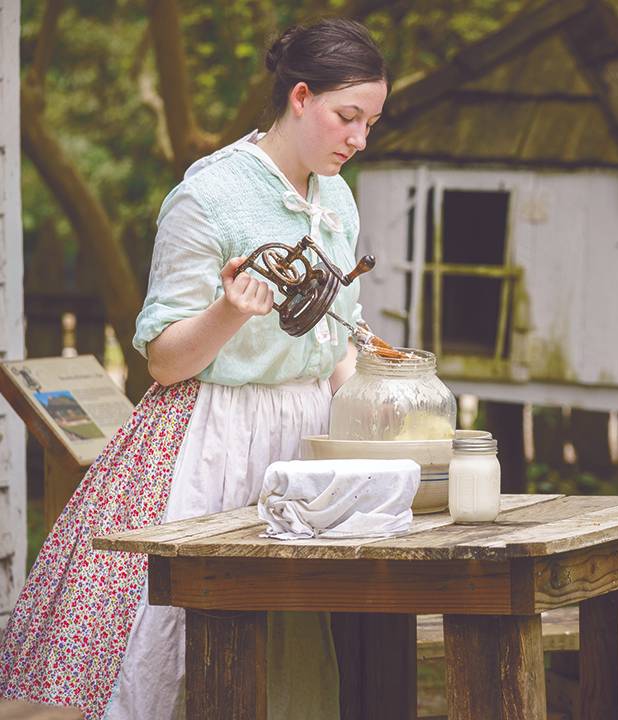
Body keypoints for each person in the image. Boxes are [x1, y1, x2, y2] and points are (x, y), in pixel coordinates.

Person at [0, 18, 390, 720]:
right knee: (172, 643)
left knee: (286, 656)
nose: (358, 139)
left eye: (369, 123)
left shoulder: (336, 196)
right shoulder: (207, 196)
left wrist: (372, 425)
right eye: (348, 118)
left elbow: (337, 344)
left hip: (299, 449)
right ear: (300, 97)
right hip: (210, 443)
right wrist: (228, 313)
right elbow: (163, 359)